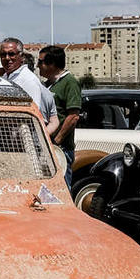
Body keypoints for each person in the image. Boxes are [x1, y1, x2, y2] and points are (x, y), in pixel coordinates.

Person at [37, 46, 82, 189]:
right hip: (47, 147)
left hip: (60, 149)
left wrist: (57, 141)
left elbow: (73, 116)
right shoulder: (47, 85)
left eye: (41, 62)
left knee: (62, 190)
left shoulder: (70, 83)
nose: (38, 66)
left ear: (52, 64)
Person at [0, 37, 56, 127]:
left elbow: (32, 114)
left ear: (21, 57)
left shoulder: (28, 80)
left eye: (11, 54)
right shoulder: (6, 77)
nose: (7, 58)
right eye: (3, 55)